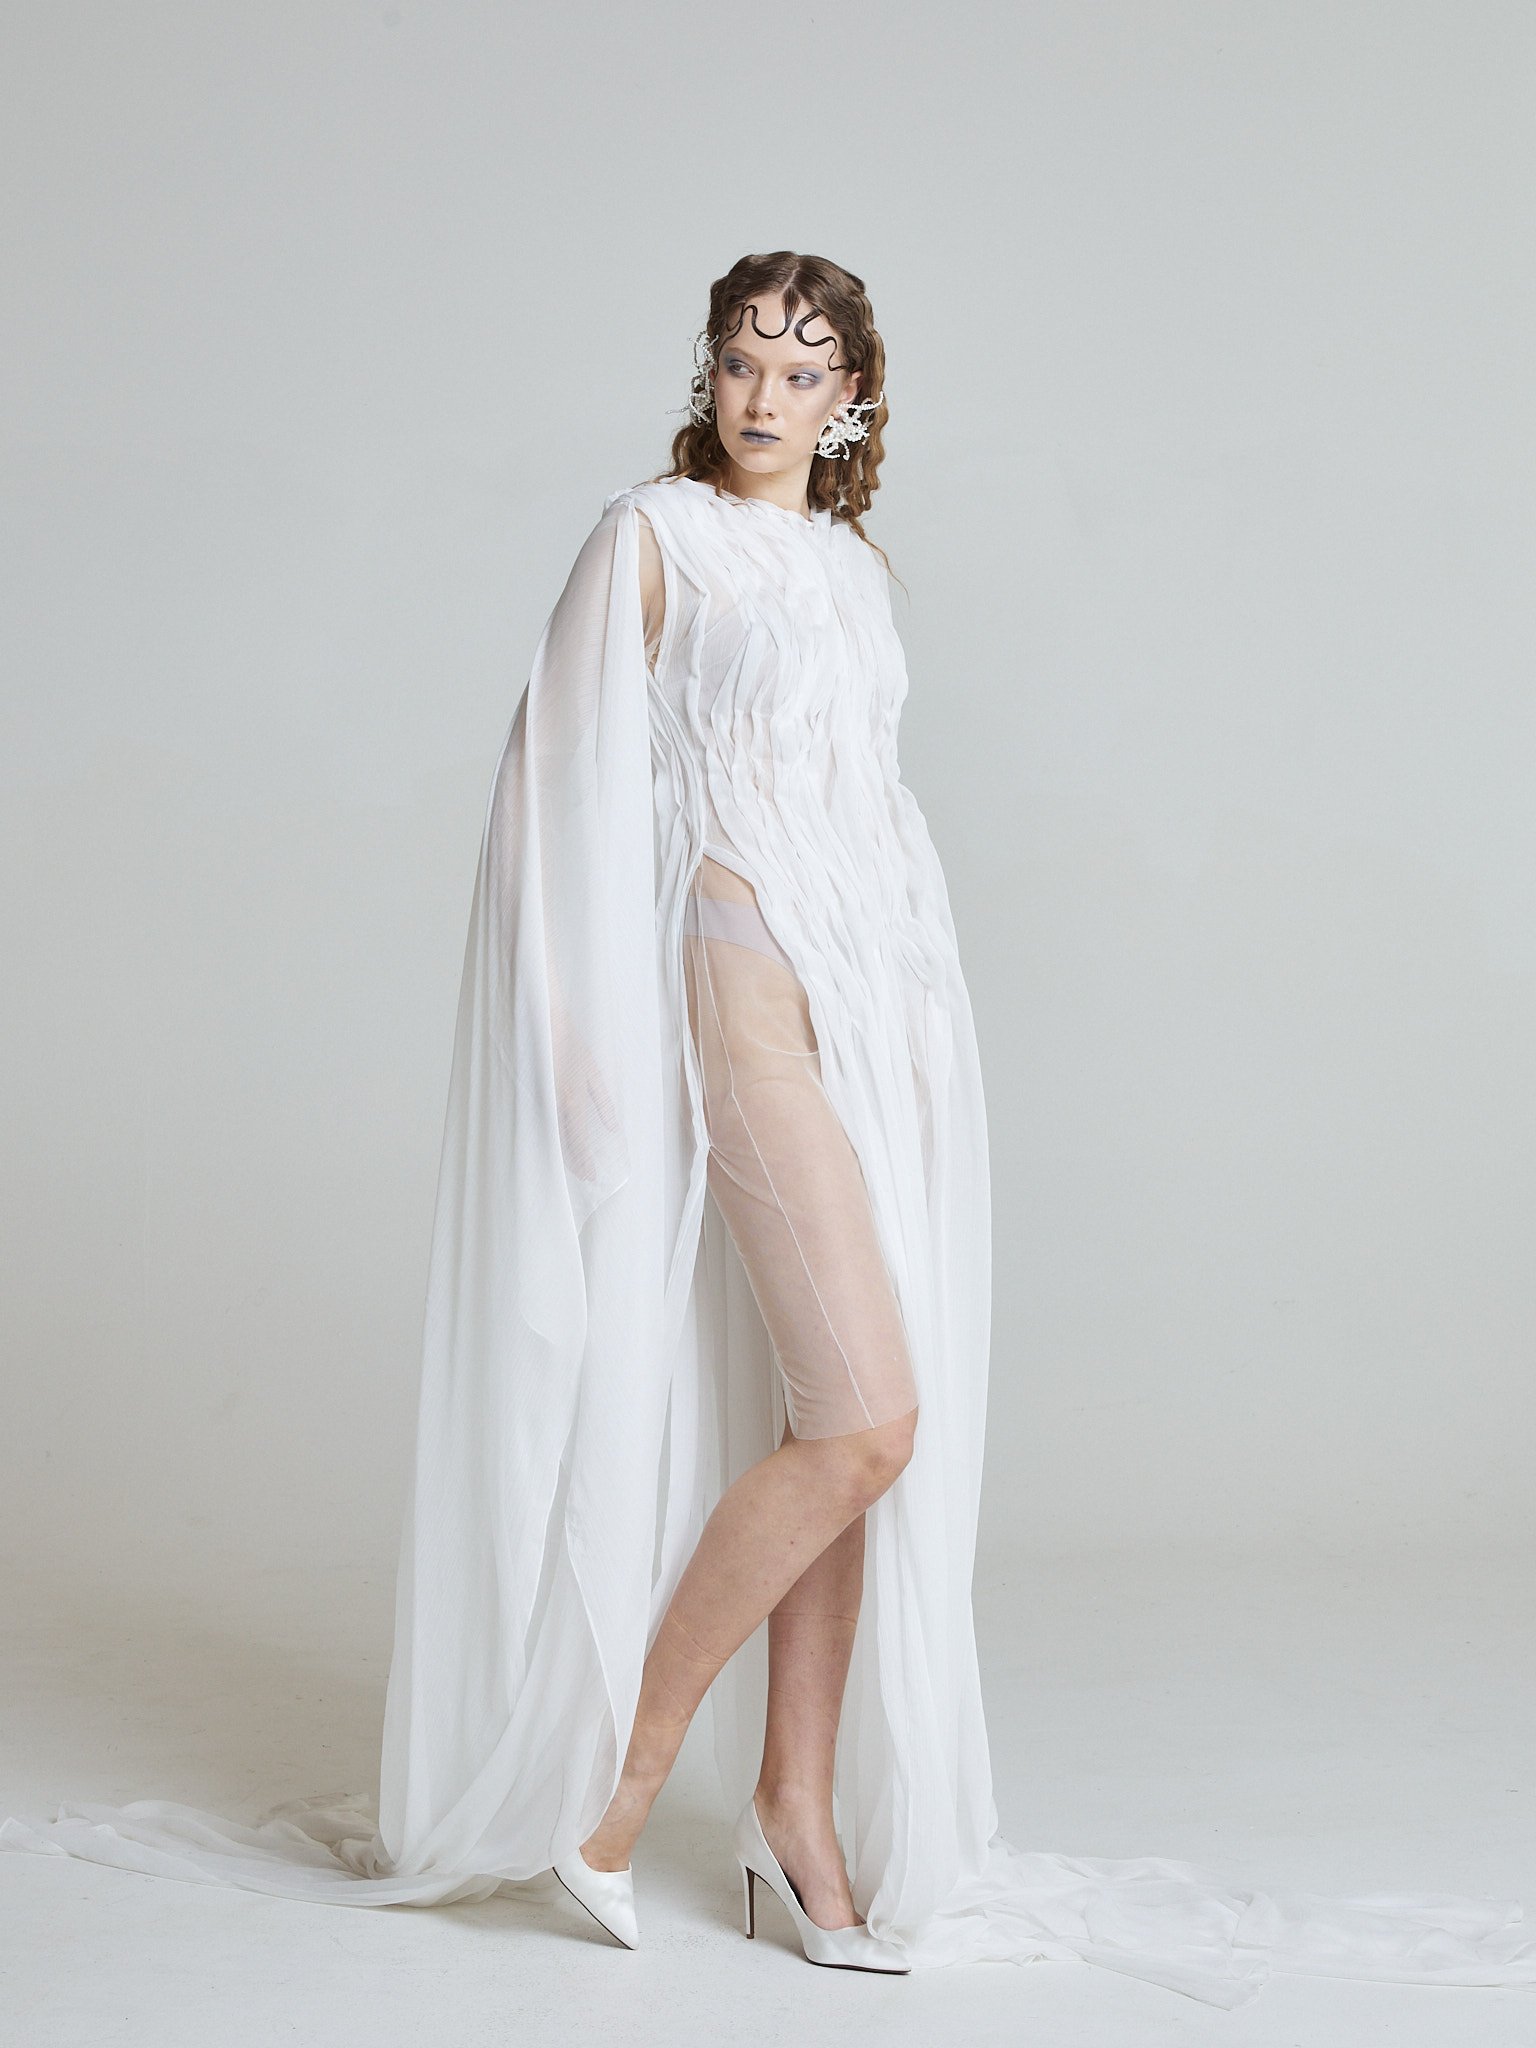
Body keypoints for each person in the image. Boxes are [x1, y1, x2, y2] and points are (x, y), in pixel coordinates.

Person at [5, 251, 1536, 2006]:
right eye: (741, 360)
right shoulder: (651, 538)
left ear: (849, 402)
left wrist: (928, 1024)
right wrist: (574, 1051)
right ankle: (619, 1787)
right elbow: (547, 790)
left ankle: (794, 1812)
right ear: (710, 373)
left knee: (850, 1426)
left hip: (880, 1003)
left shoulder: (855, 571)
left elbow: (870, 804)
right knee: (869, 1422)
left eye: (801, 372)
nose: (762, 395)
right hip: (739, 987)